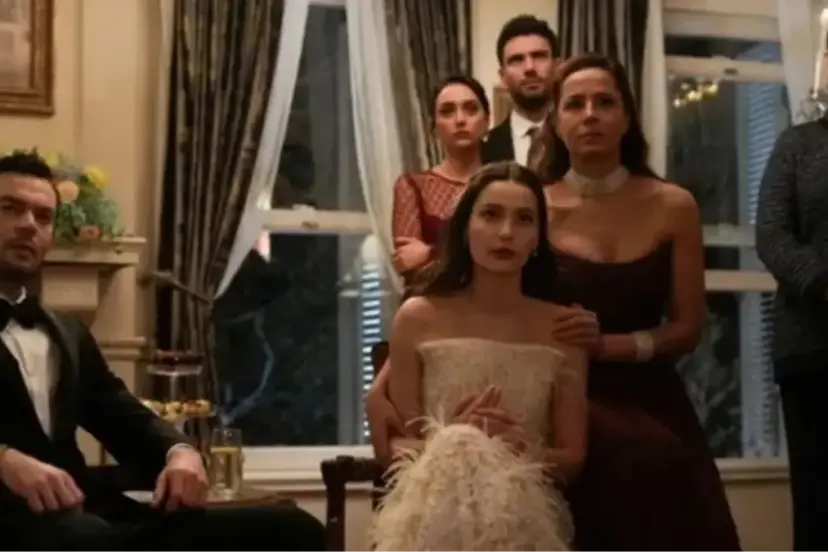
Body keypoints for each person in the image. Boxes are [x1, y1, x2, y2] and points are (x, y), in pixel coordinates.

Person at [0, 151, 325, 552]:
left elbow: (124, 418)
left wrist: (181, 452)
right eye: (10, 208)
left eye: (43, 216)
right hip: (12, 526)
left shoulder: (67, 332)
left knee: (293, 528)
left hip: (83, 513)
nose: (29, 225)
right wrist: (3, 460)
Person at [534, 53, 741, 552]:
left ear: (626, 117)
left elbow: (688, 327)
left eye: (604, 102)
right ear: (556, 122)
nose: (590, 115)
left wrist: (610, 346)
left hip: (651, 395)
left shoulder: (674, 205)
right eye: (575, 104)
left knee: (657, 461)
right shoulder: (531, 207)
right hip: (561, 394)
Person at [369, 161, 586, 552]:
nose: (506, 233)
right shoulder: (418, 317)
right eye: (490, 215)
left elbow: (573, 457)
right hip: (434, 508)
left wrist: (522, 448)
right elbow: (396, 448)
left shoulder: (563, 329)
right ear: (465, 228)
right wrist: (457, 439)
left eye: (524, 220)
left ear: (538, 238)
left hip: (524, 513)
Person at [755, 100, 828, 551]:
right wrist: (822, 281)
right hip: (812, 350)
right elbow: (772, 235)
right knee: (819, 502)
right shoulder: (797, 145)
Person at [391, 75, 490, 286]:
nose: (460, 119)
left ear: (486, 121)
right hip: (430, 302)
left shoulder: (503, 186)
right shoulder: (413, 186)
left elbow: (511, 258)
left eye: (471, 109)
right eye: (447, 111)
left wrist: (430, 253)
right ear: (434, 128)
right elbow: (410, 268)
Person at [481, 14, 558, 167]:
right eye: (516, 60)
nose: (529, 68)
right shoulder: (482, 150)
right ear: (503, 77)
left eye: (539, 56)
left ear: (557, 67)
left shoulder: (578, 139)